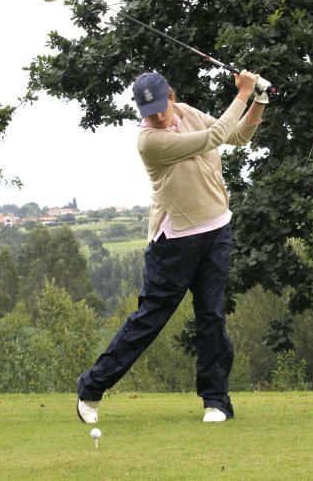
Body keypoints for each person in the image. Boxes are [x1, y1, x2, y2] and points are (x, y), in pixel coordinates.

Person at [77, 68, 269, 423]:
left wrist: (258, 99)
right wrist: (242, 93)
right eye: (149, 113)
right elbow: (214, 138)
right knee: (150, 320)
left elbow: (239, 135)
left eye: (161, 107)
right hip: (175, 242)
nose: (158, 116)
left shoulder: (189, 113)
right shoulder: (149, 141)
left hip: (216, 229)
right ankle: (91, 388)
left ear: (171, 96)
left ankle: (216, 401)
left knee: (212, 317)